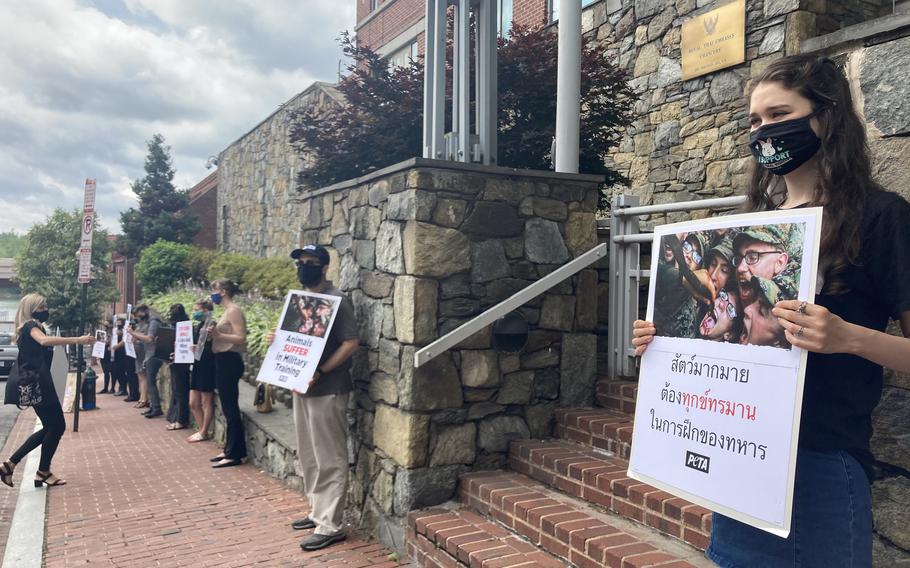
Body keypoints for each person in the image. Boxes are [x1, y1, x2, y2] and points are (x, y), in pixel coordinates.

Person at [633, 55, 910, 567]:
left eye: (779, 114)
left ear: (825, 117)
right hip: (741, 460)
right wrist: (666, 339)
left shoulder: (881, 217)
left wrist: (847, 337)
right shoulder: (752, 227)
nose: (763, 131)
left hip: (820, 462)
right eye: (754, 121)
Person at [267, 244, 359, 552]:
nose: (304, 266)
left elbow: (350, 343)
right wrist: (275, 341)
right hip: (301, 387)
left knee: (329, 456)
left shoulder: (338, 300)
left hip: (328, 388)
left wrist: (322, 369)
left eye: (310, 262)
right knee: (308, 454)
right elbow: (294, 340)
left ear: (323, 267)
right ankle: (317, 512)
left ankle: (331, 524)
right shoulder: (299, 301)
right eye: (300, 262)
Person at [0, 294, 93, 488]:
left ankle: (15, 465)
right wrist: (78, 339)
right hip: (38, 384)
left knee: (52, 427)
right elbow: (43, 341)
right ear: (32, 309)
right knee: (56, 426)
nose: (46, 310)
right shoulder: (30, 327)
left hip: (36, 383)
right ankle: (39, 471)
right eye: (42, 307)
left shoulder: (27, 327)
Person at [208, 279, 247, 468]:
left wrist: (218, 335)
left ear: (223, 291)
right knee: (227, 407)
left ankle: (234, 453)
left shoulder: (234, 311)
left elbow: (241, 337)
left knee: (230, 407)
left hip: (230, 361)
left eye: (214, 290)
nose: (212, 294)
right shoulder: (226, 312)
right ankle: (230, 448)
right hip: (221, 361)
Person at [129, 305, 165, 419]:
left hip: (155, 354)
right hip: (149, 354)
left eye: (138, 314)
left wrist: (132, 333)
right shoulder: (148, 322)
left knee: (150, 381)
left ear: (145, 311)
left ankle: (156, 408)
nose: (137, 317)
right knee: (149, 381)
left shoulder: (154, 322)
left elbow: (149, 338)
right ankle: (153, 407)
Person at [188, 299, 216, 443]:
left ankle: (204, 431)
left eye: (196, 309)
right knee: (193, 402)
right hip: (197, 363)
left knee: (206, 401)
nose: (194, 312)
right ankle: (201, 430)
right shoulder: (199, 325)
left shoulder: (212, 324)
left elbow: (213, 343)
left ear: (205, 310)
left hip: (207, 364)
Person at [165, 304, 191, 431]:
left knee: (179, 391)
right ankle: (176, 417)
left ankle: (180, 419)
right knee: (177, 390)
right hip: (177, 360)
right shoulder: (184, 325)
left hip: (181, 361)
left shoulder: (182, 326)